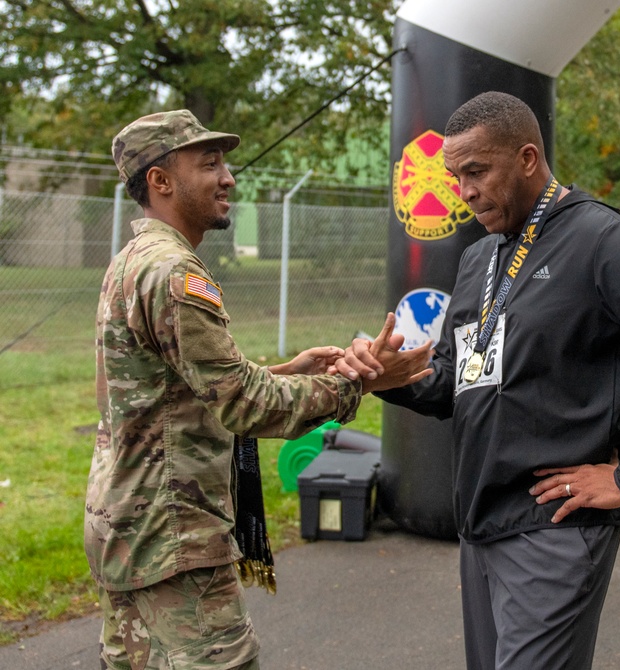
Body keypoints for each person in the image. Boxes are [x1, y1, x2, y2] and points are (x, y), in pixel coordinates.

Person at [337, 91, 620, 670]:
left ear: (526, 158)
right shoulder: (478, 259)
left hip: (555, 528)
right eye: (455, 177)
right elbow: (457, 380)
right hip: (481, 525)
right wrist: (389, 378)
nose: (465, 191)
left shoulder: (600, 238)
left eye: (477, 171)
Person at [85, 109, 432, 670]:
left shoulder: (132, 261)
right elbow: (242, 404)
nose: (229, 178)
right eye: (210, 164)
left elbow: (171, 393)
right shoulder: (175, 273)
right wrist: (356, 383)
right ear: (160, 180)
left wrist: (286, 373)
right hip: (173, 538)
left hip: (128, 525)